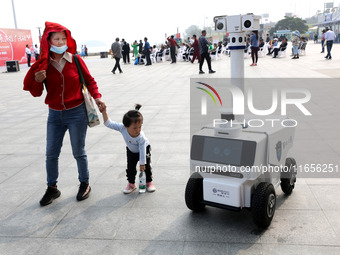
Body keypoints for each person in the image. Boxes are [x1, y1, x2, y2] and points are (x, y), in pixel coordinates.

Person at [23, 21, 106, 206]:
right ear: (48, 41)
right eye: (56, 39)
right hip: (54, 115)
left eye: (63, 39)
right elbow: (36, 92)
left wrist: (98, 97)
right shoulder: (43, 65)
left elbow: (90, 81)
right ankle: (52, 188)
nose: (60, 42)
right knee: (51, 153)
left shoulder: (75, 59)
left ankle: (85, 183)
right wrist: (38, 80)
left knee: (79, 151)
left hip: (77, 113)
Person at [101, 104, 156, 194]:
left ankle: (149, 182)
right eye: (135, 128)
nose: (138, 130)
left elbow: (142, 149)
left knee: (147, 167)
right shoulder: (122, 128)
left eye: (140, 126)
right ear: (126, 126)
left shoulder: (141, 136)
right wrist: (104, 113)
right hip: (131, 151)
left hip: (144, 149)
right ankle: (131, 184)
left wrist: (142, 163)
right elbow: (108, 123)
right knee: (130, 168)